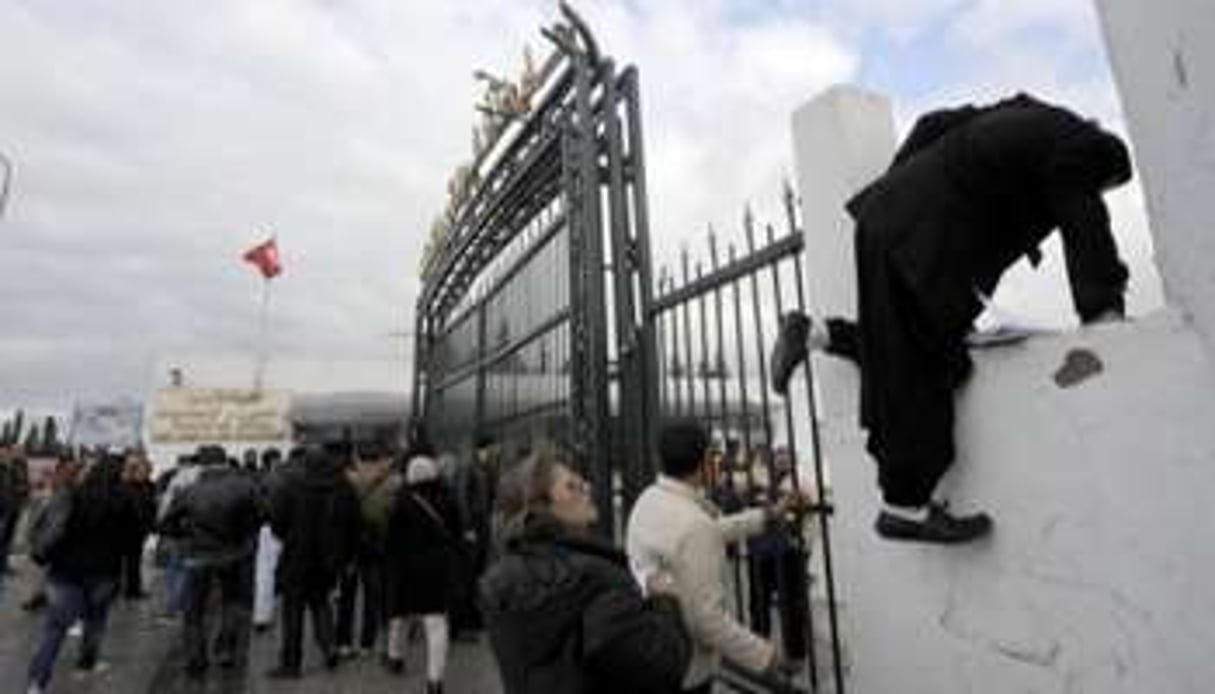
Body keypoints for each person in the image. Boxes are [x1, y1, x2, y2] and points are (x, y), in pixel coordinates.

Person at [771, 93, 1133, 544]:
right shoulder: (1083, 147)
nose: (1096, 190)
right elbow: (1084, 219)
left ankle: (816, 333)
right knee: (922, 363)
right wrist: (1103, 309)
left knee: (913, 347)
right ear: (1108, 163)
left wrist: (895, 192)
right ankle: (904, 505)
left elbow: (931, 123)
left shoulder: (1023, 114)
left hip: (893, 221)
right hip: (922, 235)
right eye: (1104, 186)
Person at [481, 448, 691, 694]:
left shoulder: (498, 581)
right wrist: (665, 600)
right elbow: (664, 666)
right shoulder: (598, 581)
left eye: (581, 481)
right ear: (540, 507)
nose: (587, 488)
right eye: (572, 486)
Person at [627, 420, 800, 694]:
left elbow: (708, 531)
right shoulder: (693, 524)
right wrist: (766, 656)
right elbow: (706, 620)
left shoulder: (649, 499)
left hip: (649, 651)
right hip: (687, 668)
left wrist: (767, 515)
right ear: (706, 460)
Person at [25, 455, 141, 694]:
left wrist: (41, 554)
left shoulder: (73, 494)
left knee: (54, 628)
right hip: (104, 571)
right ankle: (85, 664)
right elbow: (132, 542)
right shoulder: (125, 499)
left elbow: (51, 527)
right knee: (96, 621)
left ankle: (37, 683)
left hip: (66, 570)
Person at [159, 444, 265, 679]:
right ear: (225, 462)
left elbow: (166, 525)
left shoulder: (190, 490)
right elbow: (261, 515)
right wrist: (244, 535)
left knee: (194, 611)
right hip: (234, 553)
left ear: (202, 465)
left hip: (198, 554)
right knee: (232, 602)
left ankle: (196, 659)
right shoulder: (245, 486)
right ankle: (225, 648)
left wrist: (185, 534)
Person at [267, 446, 360, 679]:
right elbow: (354, 525)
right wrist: (345, 555)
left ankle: (291, 663)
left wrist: (287, 536)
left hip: (297, 555)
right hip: (328, 557)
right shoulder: (343, 486)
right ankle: (329, 647)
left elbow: (277, 521)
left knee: (293, 610)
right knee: (320, 602)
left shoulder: (292, 485)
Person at [385, 455, 461, 693]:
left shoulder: (402, 502)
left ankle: (395, 657)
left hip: (406, 568)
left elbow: (391, 540)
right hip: (437, 569)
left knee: (401, 616)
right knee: (436, 622)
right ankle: (435, 679)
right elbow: (456, 533)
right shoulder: (448, 499)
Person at [336, 438, 401, 659]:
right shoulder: (393, 483)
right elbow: (395, 516)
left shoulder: (345, 481)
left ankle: (344, 642)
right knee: (373, 597)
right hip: (378, 545)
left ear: (357, 457)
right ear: (379, 457)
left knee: (347, 596)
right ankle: (367, 643)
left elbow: (339, 513)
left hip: (349, 545)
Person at [120, 453, 157, 599]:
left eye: (149, 470)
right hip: (127, 528)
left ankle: (132, 589)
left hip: (139, 529)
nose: (147, 472)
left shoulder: (149, 486)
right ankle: (126, 589)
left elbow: (150, 507)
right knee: (127, 561)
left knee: (134, 561)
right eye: (145, 470)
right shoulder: (127, 486)